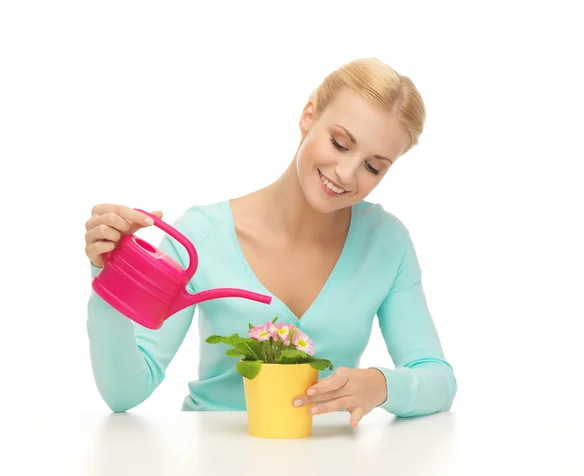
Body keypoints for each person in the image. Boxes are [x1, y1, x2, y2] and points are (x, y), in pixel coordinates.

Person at [85, 58, 457, 426]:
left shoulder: (386, 245)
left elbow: (438, 379)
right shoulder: (202, 236)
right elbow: (124, 393)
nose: (346, 173)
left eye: (374, 167)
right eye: (340, 143)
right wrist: (111, 283)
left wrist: (382, 385)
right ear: (308, 115)